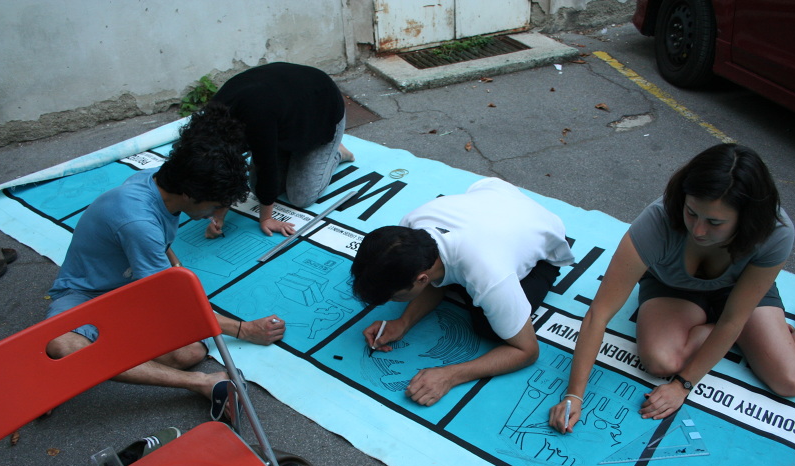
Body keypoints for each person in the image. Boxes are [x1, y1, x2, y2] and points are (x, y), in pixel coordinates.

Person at [549, 143, 795, 433]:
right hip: (673, 287)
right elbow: (599, 314)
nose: (699, 230)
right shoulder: (658, 219)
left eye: (715, 222)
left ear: (747, 219)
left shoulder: (776, 231)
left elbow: (734, 318)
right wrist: (573, 394)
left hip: (740, 289)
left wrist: (683, 386)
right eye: (691, 212)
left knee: (792, 381)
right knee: (659, 361)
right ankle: (737, 335)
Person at [44, 105, 286, 418]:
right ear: (191, 195)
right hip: (84, 296)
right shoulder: (137, 222)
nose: (216, 213)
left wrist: (175, 268)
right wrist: (243, 329)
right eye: (215, 205)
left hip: (127, 293)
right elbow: (166, 294)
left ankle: (102, 359)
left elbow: (162, 245)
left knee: (191, 350)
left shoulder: (157, 182)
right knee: (60, 346)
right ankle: (200, 383)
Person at [351, 177, 575, 406]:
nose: (391, 300)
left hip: (541, 228)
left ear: (422, 279)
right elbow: (432, 277)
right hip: (494, 202)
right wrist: (404, 322)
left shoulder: (490, 276)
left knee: (488, 327)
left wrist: (450, 375)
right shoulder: (408, 227)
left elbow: (527, 351)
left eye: (394, 296)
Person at [204, 62, 354, 239]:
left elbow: (265, 167)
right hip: (286, 117)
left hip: (321, 111)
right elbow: (227, 169)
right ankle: (291, 147)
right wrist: (218, 217)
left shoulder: (256, 120)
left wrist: (266, 219)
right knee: (257, 188)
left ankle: (336, 152)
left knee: (301, 197)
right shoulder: (209, 126)